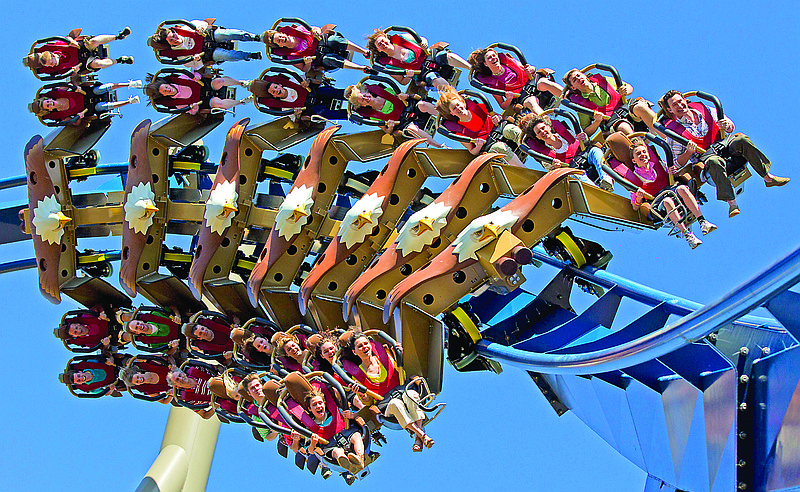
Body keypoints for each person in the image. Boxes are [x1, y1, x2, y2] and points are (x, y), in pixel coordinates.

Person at [659, 90, 789, 217]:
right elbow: (677, 163)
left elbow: (730, 126)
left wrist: (726, 125)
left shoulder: (704, 110)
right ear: (670, 110)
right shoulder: (674, 133)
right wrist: (688, 152)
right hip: (707, 156)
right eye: (674, 105)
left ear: (684, 99)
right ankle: (731, 203)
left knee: (741, 139)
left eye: (680, 101)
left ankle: (768, 177)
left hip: (724, 143)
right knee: (714, 161)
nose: (679, 106)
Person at [341, 331, 434, 452]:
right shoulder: (357, 376)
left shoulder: (383, 355)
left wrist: (398, 352)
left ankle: (419, 437)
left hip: (403, 391)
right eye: (360, 346)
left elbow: (399, 371)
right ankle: (421, 435)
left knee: (411, 394)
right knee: (396, 403)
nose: (364, 347)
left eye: (366, 343)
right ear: (355, 352)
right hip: (386, 405)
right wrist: (363, 396)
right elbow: (369, 402)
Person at [619, 136, 717, 249]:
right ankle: (688, 235)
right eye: (638, 154)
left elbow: (671, 173)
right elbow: (635, 207)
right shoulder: (633, 178)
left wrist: (672, 171)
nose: (642, 155)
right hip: (658, 200)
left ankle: (702, 221)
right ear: (634, 160)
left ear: (648, 154)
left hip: (672, 190)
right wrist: (639, 198)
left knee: (682, 189)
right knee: (667, 201)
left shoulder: (658, 164)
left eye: (644, 152)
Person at [518, 112, 615, 190]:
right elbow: (554, 173)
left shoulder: (564, 132)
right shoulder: (544, 155)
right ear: (537, 137)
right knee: (575, 175)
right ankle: (597, 191)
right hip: (573, 168)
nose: (543, 132)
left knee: (595, 151)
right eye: (539, 132)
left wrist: (584, 138)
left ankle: (606, 179)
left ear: (549, 127)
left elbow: (582, 142)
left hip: (584, 154)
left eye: (543, 128)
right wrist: (556, 167)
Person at [436, 85, 524, 166]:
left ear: (463, 103)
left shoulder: (478, 108)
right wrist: (478, 146)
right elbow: (472, 151)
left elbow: (498, 116)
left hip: (498, 128)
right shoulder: (460, 131)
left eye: (458, 105)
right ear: (452, 113)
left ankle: (534, 149)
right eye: (454, 108)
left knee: (512, 130)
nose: (458, 108)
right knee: (500, 148)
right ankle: (524, 170)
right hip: (488, 143)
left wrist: (498, 118)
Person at [562, 68, 657, 137]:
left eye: (579, 75)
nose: (578, 79)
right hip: (613, 122)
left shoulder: (603, 80)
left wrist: (626, 90)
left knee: (640, 107)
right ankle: (641, 149)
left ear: (584, 76)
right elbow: (587, 131)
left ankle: (667, 136)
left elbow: (628, 86)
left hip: (627, 108)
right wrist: (597, 122)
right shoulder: (581, 104)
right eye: (575, 80)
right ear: (573, 87)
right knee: (624, 127)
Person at [366, 27, 470, 91]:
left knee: (444, 56)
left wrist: (424, 43)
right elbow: (402, 81)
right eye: (379, 45)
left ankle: (471, 68)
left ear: (386, 38)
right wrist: (408, 76)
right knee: (433, 78)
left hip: (429, 57)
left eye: (383, 41)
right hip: (422, 72)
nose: (383, 44)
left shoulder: (401, 38)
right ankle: (453, 95)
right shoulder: (389, 65)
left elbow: (421, 39)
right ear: (378, 50)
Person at [468, 46, 562, 114]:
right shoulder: (493, 84)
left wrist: (532, 69)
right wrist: (508, 99)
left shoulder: (508, 61)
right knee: (532, 103)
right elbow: (503, 105)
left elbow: (527, 68)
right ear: (486, 64)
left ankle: (569, 96)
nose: (493, 58)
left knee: (545, 83)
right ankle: (548, 125)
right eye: (489, 58)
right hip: (522, 95)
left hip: (531, 82)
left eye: (494, 55)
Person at [345, 82, 441, 147]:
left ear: (367, 92)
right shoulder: (371, 117)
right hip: (403, 122)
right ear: (363, 105)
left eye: (364, 95)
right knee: (413, 129)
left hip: (409, 108)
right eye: (363, 100)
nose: (366, 98)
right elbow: (387, 131)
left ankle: (444, 114)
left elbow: (401, 96)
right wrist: (390, 127)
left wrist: (405, 96)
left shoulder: (382, 90)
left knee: (422, 105)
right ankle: (438, 146)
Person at [24, 26, 133, 78]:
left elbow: (65, 38)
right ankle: (120, 60)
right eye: (51, 65)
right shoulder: (55, 70)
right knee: (97, 64)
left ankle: (118, 36)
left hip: (80, 47)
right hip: (82, 63)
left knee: (93, 41)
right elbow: (66, 75)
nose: (53, 64)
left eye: (52, 61)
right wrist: (74, 71)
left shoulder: (55, 46)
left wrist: (71, 41)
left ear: (52, 55)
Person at [151, 19, 262, 69]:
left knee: (225, 34)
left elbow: (202, 23)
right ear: (170, 44)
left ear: (175, 32)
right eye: (171, 41)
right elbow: (196, 66)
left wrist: (200, 28)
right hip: (207, 53)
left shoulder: (187, 28)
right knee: (225, 55)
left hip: (209, 36)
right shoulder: (180, 55)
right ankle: (249, 55)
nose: (175, 39)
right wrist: (195, 60)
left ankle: (255, 37)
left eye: (173, 36)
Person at [262, 23, 369, 73]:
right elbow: (304, 69)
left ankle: (364, 52)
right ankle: (362, 68)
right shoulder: (291, 57)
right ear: (280, 45)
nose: (281, 39)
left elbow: (315, 28)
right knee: (330, 59)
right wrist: (307, 62)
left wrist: (316, 31)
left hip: (323, 42)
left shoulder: (298, 29)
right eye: (278, 41)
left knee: (333, 41)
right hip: (319, 57)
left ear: (283, 33)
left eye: (280, 36)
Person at [30, 80, 141, 126]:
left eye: (48, 101)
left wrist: (75, 88)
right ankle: (130, 101)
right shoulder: (60, 115)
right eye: (48, 106)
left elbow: (69, 83)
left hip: (87, 93)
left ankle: (130, 84)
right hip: (88, 108)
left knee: (100, 89)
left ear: (48, 99)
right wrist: (79, 117)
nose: (50, 103)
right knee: (102, 107)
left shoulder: (58, 93)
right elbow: (75, 123)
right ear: (49, 109)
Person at [144, 71, 252, 114]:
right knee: (218, 103)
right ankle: (242, 102)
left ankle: (242, 83)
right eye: (165, 91)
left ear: (168, 84)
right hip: (204, 101)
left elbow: (194, 74)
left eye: (166, 87)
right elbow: (191, 112)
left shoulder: (181, 79)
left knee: (219, 81)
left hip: (205, 86)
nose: (168, 89)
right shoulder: (177, 104)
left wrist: (196, 77)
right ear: (164, 95)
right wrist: (194, 108)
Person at [249, 75, 347, 121]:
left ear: (279, 85)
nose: (276, 90)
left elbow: (312, 79)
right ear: (274, 96)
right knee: (321, 113)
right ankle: (349, 115)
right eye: (273, 92)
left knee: (326, 91)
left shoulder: (293, 80)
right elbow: (296, 120)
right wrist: (298, 115)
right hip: (312, 108)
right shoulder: (284, 108)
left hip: (316, 93)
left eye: (275, 87)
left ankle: (350, 95)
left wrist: (308, 81)